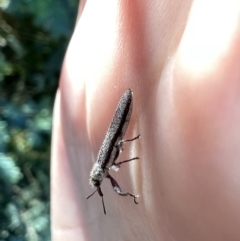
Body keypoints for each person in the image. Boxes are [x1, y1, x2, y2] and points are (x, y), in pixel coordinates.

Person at [51, 0, 240, 240]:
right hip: (119, 127)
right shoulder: (103, 167)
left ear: (99, 176)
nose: (101, 186)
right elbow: (118, 154)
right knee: (118, 141)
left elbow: (118, 149)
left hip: (120, 123)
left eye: (99, 184)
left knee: (118, 138)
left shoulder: (104, 165)